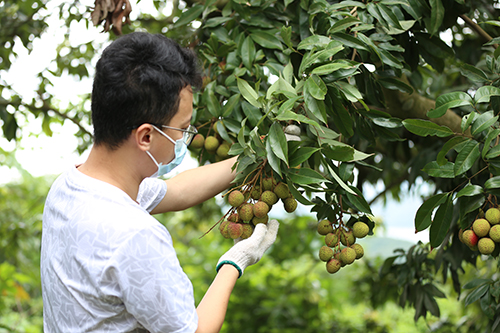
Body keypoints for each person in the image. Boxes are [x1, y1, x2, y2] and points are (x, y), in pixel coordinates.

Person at [40, 32, 279, 333]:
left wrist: (260, 154)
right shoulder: (135, 234)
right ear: (146, 136)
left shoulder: (70, 186)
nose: (184, 139)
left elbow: (177, 190)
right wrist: (235, 261)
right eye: (183, 129)